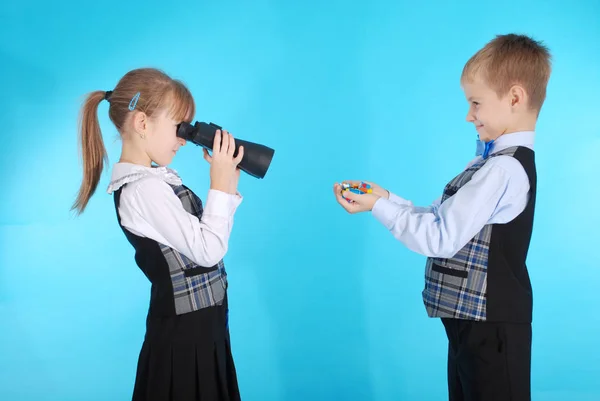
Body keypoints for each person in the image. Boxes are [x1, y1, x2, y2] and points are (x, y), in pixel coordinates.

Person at [333, 34, 552, 401]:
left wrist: (379, 208)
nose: (469, 115)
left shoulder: (502, 170)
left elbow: (440, 238)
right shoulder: (489, 164)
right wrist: (385, 198)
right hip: (473, 325)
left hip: (491, 328)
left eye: (476, 103)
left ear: (514, 98)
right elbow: (439, 216)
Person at [72, 67, 244, 401]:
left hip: (203, 330)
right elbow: (208, 251)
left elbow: (204, 235)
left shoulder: (155, 182)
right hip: (184, 341)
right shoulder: (143, 190)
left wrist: (228, 184)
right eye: (178, 127)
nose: (184, 138)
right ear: (142, 123)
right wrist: (219, 185)